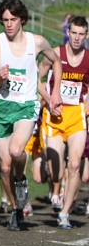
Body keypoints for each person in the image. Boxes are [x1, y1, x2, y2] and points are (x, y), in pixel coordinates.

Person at [0, 0, 62, 231]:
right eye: (5, 20)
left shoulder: (36, 42)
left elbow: (56, 61)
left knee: (17, 151)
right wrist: (1, 77)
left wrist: (54, 91)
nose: (8, 24)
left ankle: (21, 180)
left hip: (27, 105)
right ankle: (17, 208)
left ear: (22, 20)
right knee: (5, 167)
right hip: (3, 108)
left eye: (13, 20)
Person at [38, 16, 89, 229]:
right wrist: (50, 100)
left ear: (86, 36)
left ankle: (65, 213)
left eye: (81, 34)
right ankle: (57, 189)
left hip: (77, 115)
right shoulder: (55, 54)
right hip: (55, 116)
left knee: (75, 164)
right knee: (56, 172)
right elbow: (38, 79)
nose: (77, 38)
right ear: (68, 32)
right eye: (74, 33)